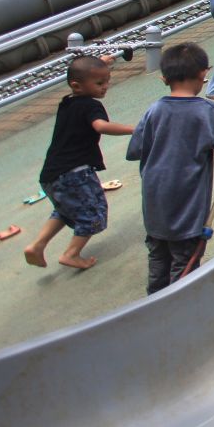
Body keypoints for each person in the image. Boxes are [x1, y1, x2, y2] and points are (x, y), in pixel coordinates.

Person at [126, 43, 214, 294]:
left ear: (163, 78)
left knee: (158, 258)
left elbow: (136, 149)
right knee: (184, 264)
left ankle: (154, 303)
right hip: (187, 209)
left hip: (154, 208)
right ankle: (177, 310)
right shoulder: (207, 111)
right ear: (204, 74)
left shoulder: (154, 110)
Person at [23, 55, 135, 270]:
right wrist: (135, 129)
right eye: (100, 83)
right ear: (77, 85)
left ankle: (37, 245)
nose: (105, 87)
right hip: (75, 174)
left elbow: (83, 73)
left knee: (66, 209)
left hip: (50, 176)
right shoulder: (90, 106)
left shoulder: (68, 102)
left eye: (107, 81)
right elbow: (101, 127)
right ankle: (71, 253)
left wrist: (102, 63)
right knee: (93, 212)